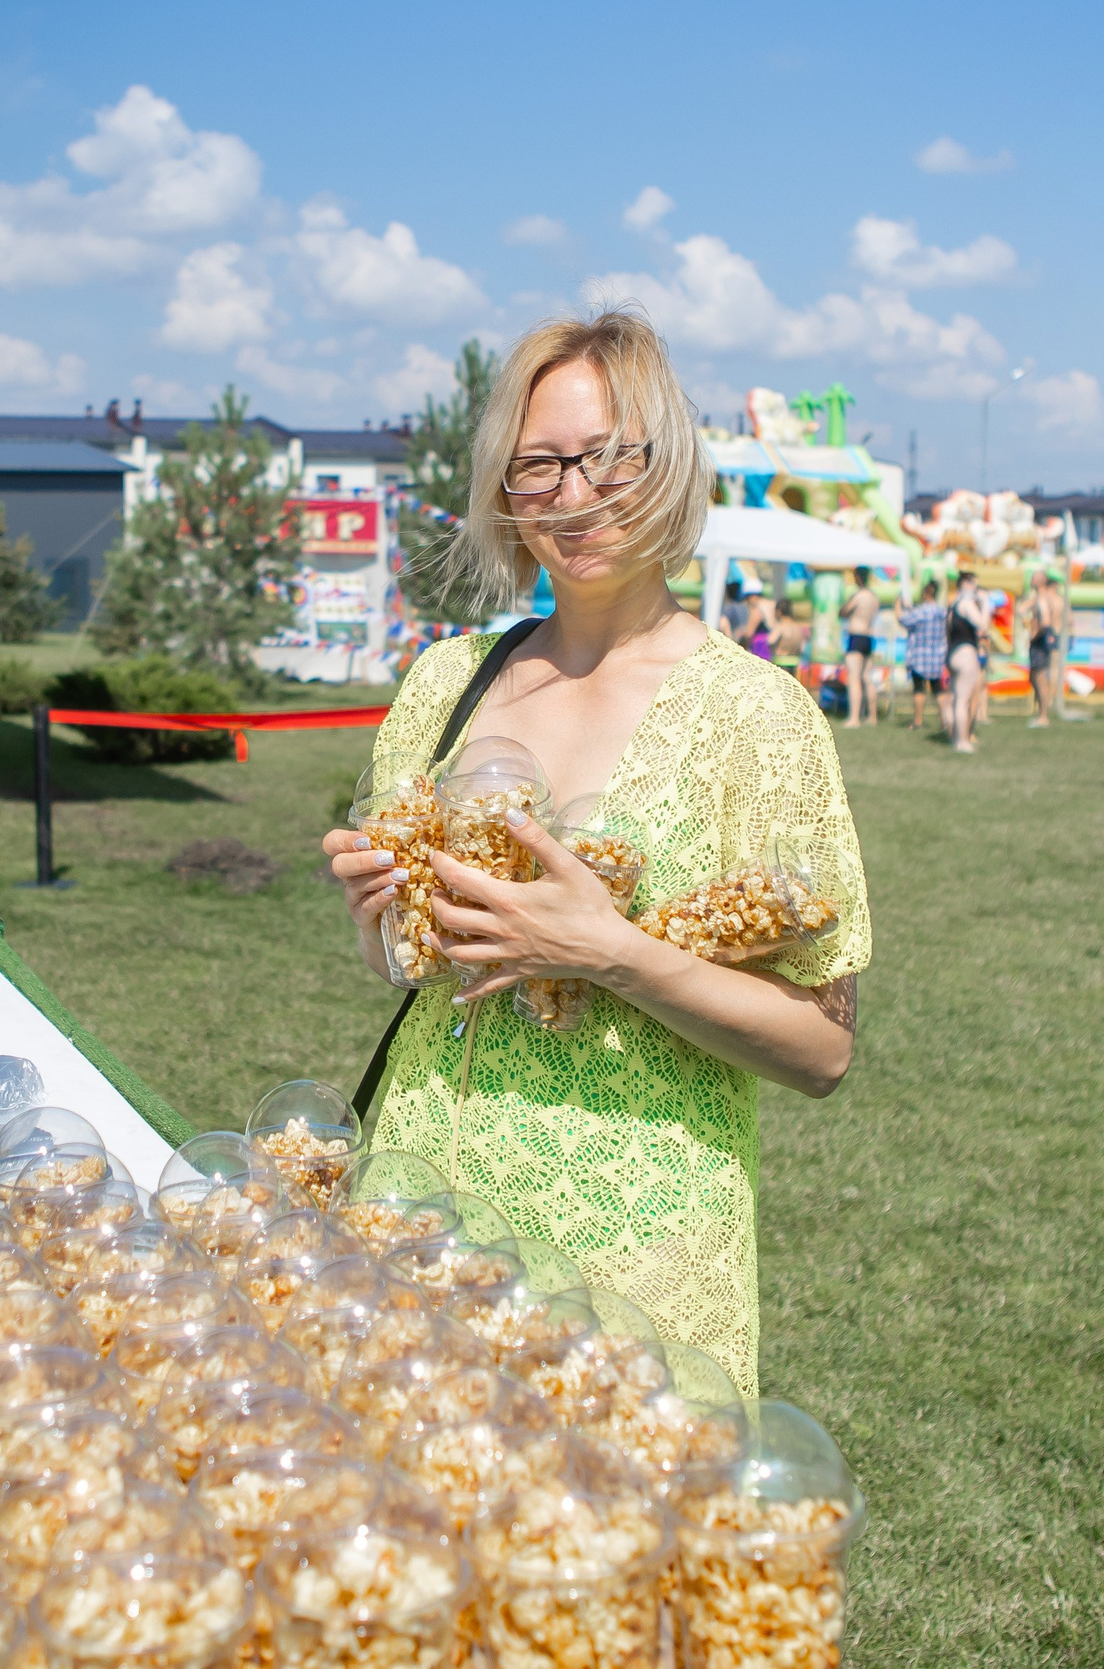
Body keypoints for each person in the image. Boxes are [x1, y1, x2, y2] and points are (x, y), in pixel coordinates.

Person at [321, 310, 870, 1394]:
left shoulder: (754, 718)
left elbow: (823, 1049)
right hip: (420, 1211)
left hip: (633, 1254)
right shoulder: (446, 681)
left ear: (666, 464)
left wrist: (609, 952)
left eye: (607, 458)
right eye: (537, 467)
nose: (572, 498)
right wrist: (381, 914)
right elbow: (414, 968)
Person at [946, 571, 988, 753]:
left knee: (955, 699)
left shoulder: (953, 603)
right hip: (966, 654)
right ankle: (962, 740)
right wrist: (986, 604)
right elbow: (983, 626)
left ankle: (954, 736)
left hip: (953, 653)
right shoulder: (966, 603)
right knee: (963, 700)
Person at [898, 579, 948, 730]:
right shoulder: (942, 611)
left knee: (919, 689)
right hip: (937, 656)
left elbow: (903, 620)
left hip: (919, 656)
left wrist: (897, 606)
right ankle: (945, 721)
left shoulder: (920, 611)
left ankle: (918, 722)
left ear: (925, 593)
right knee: (938, 690)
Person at [1024, 566, 1067, 727]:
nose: (1030, 580)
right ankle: (1042, 711)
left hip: (1041, 641)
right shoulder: (1044, 598)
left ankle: (1043, 714)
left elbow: (1045, 622)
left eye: (1033, 577)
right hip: (1046, 639)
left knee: (1041, 678)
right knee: (1036, 676)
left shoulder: (1042, 599)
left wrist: (1033, 636)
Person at [839, 565, 881, 728]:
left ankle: (854, 718)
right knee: (866, 677)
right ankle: (872, 716)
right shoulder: (874, 598)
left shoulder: (858, 596)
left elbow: (844, 612)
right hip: (869, 637)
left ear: (858, 577)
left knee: (854, 678)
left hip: (856, 636)